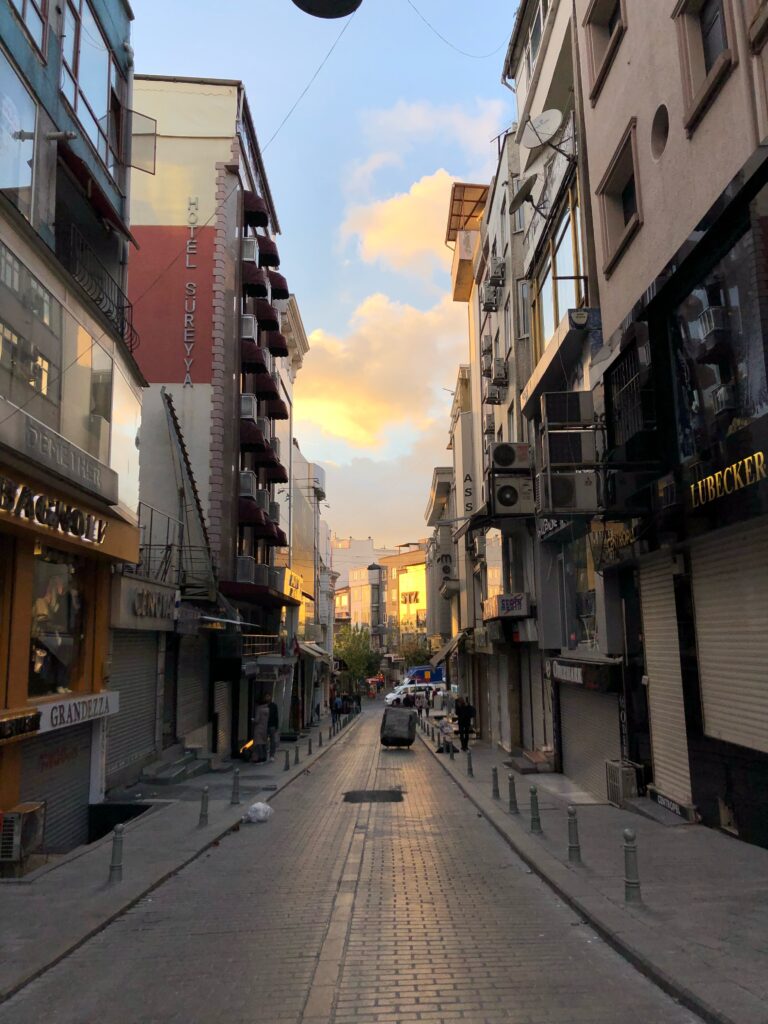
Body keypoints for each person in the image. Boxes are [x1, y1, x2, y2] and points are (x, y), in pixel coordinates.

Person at [252, 696, 270, 763]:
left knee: (258, 744)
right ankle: (264, 757)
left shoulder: (259, 709)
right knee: (264, 744)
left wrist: (252, 720)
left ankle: (259, 758)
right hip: (265, 729)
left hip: (258, 728)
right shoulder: (267, 709)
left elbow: (257, 720)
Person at [265, 692, 279, 762]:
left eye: (268, 696)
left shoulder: (274, 706)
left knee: (272, 741)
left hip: (272, 725)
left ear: (270, 697)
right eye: (266, 696)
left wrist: (276, 726)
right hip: (264, 726)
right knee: (264, 741)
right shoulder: (264, 706)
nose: (267, 698)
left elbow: (276, 716)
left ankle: (272, 755)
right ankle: (264, 755)